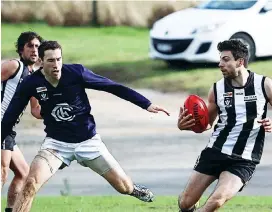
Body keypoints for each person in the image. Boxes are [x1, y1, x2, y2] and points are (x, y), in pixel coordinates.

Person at [1, 40, 170, 212]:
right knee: (30, 183)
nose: (56, 65)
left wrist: (146, 104)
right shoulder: (31, 83)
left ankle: (133, 189)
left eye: (59, 59)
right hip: (56, 144)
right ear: (41, 62)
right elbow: (10, 116)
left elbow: (112, 87)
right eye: (51, 61)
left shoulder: (76, 73)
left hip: (88, 142)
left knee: (123, 187)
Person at [177, 39, 272, 212]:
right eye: (220, 59)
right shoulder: (217, 89)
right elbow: (206, 124)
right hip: (215, 151)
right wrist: (187, 125)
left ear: (240, 61)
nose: (220, 64)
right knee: (185, 203)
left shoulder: (264, 85)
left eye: (226, 59)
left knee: (216, 200)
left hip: (244, 158)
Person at [1, 31, 44, 212]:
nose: (34, 50)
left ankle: (11, 209)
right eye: (30, 46)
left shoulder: (34, 78)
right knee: (2, 172)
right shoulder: (14, 66)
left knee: (23, 173)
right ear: (21, 50)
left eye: (37, 47)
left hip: (8, 130)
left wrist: (57, 109)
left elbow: (35, 110)